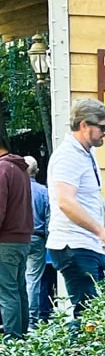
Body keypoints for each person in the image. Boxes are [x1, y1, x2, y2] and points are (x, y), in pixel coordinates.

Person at [47, 98, 105, 315]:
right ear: (83, 126)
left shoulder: (87, 153)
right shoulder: (67, 156)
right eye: (102, 126)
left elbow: (94, 198)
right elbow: (65, 202)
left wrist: (104, 232)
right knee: (88, 313)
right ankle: (74, 349)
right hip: (72, 244)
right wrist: (101, 231)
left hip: (89, 243)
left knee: (103, 311)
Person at [0, 128, 33, 338]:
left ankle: (12, 344)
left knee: (6, 292)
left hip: (5, 242)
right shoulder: (19, 169)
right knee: (19, 290)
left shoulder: (2, 169)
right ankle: (22, 339)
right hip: (22, 239)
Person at [24, 156, 57, 326]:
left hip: (14, 239)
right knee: (33, 281)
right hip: (37, 238)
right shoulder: (44, 192)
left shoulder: (13, 190)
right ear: (37, 172)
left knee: (11, 281)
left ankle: (13, 321)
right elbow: (50, 218)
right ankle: (31, 321)